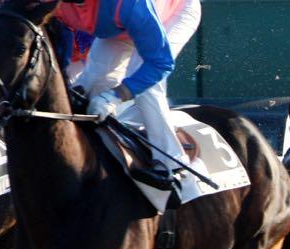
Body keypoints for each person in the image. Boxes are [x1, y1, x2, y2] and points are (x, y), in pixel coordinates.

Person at [49, 0, 202, 190]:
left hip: (172, 13)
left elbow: (159, 63)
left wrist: (116, 96)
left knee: (146, 87)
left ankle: (173, 164)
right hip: (118, 26)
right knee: (91, 85)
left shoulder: (128, 4)